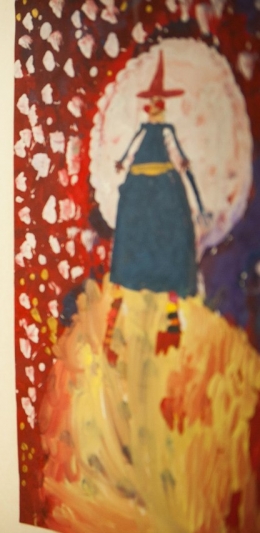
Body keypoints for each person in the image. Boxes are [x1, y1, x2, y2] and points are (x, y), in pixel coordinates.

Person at [104, 51, 209, 359]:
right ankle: (115, 326)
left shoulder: (167, 131)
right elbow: (129, 149)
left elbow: (181, 158)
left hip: (162, 191)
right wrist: (121, 162)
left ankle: (172, 322)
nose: (156, 107)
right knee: (133, 244)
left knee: (169, 246)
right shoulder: (145, 130)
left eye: (160, 103)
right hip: (140, 190)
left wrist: (197, 197)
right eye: (153, 102)